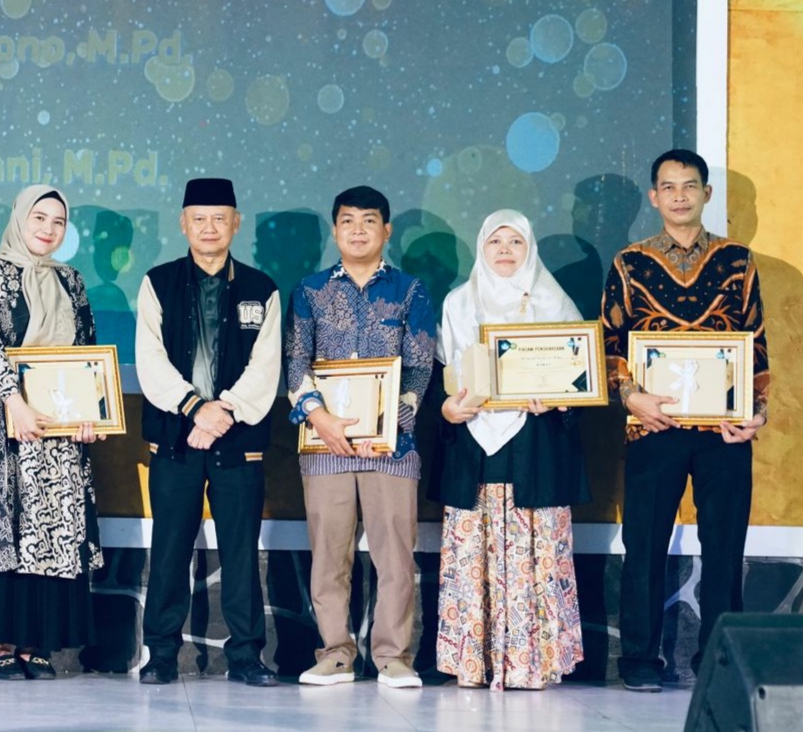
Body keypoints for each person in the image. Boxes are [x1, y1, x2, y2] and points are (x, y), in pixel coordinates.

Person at [604, 149, 769, 692]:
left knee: (725, 547)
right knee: (644, 545)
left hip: (725, 430)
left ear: (706, 194)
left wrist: (756, 412)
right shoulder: (629, 263)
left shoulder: (738, 261)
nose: (679, 196)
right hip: (652, 425)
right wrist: (632, 397)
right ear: (655, 197)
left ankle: (718, 663)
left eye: (690, 186)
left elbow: (756, 342)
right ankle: (638, 661)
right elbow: (610, 342)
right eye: (669, 187)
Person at [0, 185, 104, 680]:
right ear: (20, 218)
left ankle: (36, 641)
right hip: (3, 423)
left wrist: (90, 413)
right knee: (4, 529)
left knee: (49, 533)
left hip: (58, 432)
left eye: (58, 221)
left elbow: (87, 353)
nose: (48, 229)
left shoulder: (71, 281)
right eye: (39, 217)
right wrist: (15, 401)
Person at [283, 185, 435, 688]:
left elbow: (419, 367)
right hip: (325, 445)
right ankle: (335, 654)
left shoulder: (411, 291)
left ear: (386, 230)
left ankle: (393, 657)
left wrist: (388, 425)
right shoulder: (309, 291)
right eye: (348, 220)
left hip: (392, 446)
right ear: (335, 230)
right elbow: (296, 362)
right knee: (329, 556)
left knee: (395, 557)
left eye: (369, 221)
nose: (358, 230)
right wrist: (319, 417)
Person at [136, 178, 282, 687]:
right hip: (175, 437)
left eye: (220, 218)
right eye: (199, 218)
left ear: (236, 223)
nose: (209, 227)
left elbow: (266, 367)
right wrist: (196, 409)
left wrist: (225, 412)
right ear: (183, 224)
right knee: (169, 550)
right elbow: (150, 360)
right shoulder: (158, 282)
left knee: (241, 552)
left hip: (238, 442)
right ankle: (160, 654)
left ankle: (246, 656)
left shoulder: (262, 288)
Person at [433, 209, 588, 690]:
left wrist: (559, 399)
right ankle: (474, 661)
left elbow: (579, 383)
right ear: (481, 247)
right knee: (472, 553)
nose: (504, 250)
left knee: (537, 552)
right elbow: (440, 379)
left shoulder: (555, 303)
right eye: (495, 241)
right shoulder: (459, 304)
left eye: (515, 241)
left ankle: (530, 663)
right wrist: (447, 409)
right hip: (473, 444)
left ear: (530, 249)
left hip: (537, 445)